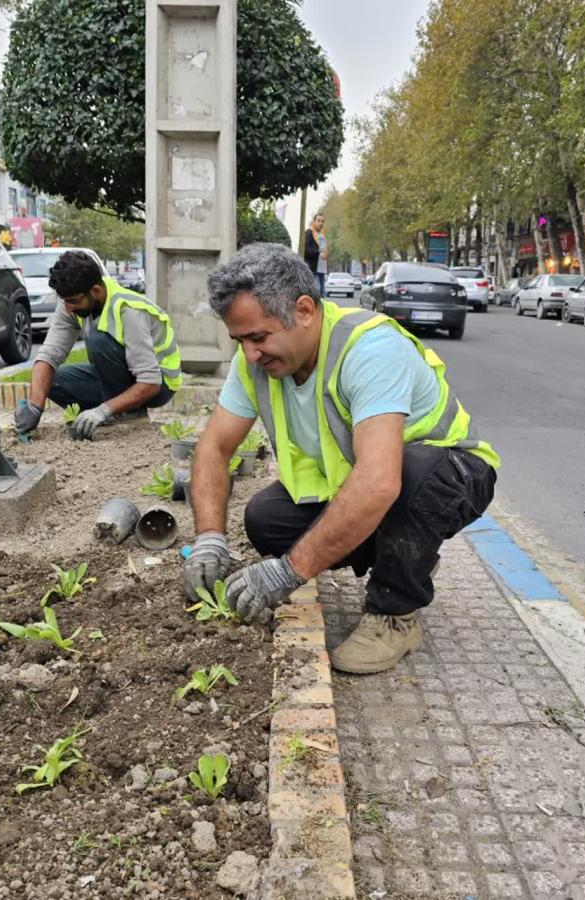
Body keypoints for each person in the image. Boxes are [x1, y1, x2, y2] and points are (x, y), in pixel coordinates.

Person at [182, 243, 500, 674]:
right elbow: (215, 448)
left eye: (259, 337)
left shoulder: (368, 349)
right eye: (240, 340)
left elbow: (379, 482)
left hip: (451, 472)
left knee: (410, 475)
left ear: (305, 310)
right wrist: (209, 540)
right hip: (378, 482)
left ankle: (396, 612)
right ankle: (400, 552)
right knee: (265, 518)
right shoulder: (253, 362)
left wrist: (289, 572)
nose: (250, 354)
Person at [14, 251, 181, 440]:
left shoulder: (129, 310)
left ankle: (128, 414)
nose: (68, 308)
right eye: (64, 301)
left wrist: (102, 410)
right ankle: (109, 413)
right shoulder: (71, 304)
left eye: (73, 301)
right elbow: (48, 355)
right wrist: (34, 407)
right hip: (124, 378)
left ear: (96, 291)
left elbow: (150, 382)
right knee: (50, 380)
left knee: (98, 339)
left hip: (160, 383)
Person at [303, 213, 327, 296]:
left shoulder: (322, 235)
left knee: (322, 293)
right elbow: (305, 250)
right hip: (313, 269)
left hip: (322, 269)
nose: (321, 223)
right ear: (314, 222)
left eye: (322, 221)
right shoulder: (309, 233)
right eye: (319, 221)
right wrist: (318, 253)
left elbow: (324, 250)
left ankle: (322, 309)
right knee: (316, 293)